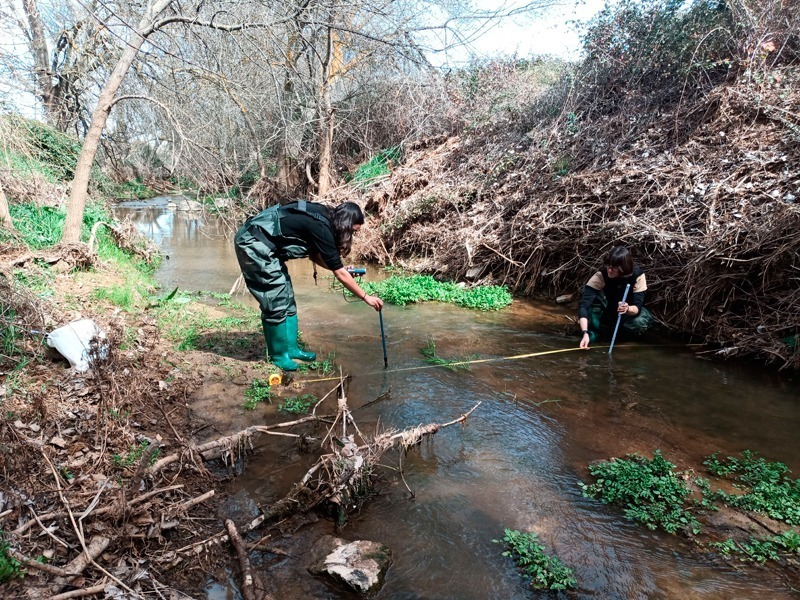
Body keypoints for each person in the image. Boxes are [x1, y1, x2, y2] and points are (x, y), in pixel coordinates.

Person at [234, 199, 383, 370]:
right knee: (275, 301)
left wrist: (341, 268)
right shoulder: (322, 228)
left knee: (287, 298)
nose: (352, 235)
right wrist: (366, 297)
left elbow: (316, 256)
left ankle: (291, 349)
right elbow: (339, 273)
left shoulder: (327, 218)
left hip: (268, 247)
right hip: (253, 243)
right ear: (346, 225)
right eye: (353, 231)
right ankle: (278, 356)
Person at [578, 246, 652, 349]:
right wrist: (585, 332)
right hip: (609, 308)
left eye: (614, 268)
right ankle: (593, 333)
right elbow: (584, 306)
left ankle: (626, 341)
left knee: (638, 322)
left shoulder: (637, 275)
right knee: (592, 305)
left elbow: (637, 307)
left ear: (623, 268)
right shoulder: (600, 276)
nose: (609, 270)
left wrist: (627, 309)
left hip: (629, 312)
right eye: (608, 265)